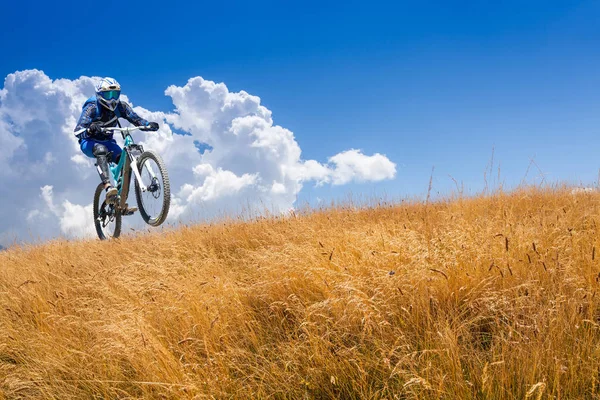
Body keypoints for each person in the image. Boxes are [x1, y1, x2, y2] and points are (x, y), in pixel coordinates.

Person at [74, 77, 159, 205]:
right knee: (101, 150)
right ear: (100, 94)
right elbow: (78, 131)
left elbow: (136, 119)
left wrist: (148, 125)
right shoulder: (92, 108)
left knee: (125, 161)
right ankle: (108, 186)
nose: (112, 98)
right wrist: (90, 129)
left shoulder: (121, 107)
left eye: (115, 94)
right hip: (89, 142)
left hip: (109, 143)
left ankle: (120, 196)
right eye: (108, 94)